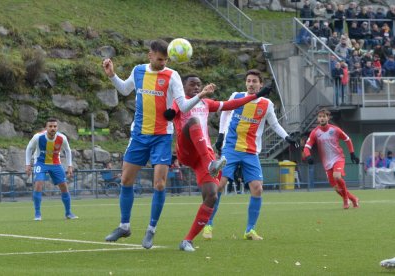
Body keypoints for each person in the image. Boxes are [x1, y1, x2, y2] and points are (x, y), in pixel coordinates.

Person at [102, 39, 214, 249]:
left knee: (160, 184)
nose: (163, 63)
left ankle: (151, 230)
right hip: (139, 135)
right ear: (150, 55)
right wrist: (112, 76)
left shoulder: (172, 76)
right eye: (160, 59)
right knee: (126, 180)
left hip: (162, 136)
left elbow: (182, 105)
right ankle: (124, 226)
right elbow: (125, 90)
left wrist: (200, 95)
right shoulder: (138, 71)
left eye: (166, 60)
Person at [174, 73, 270, 252]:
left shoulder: (206, 104)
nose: (196, 87)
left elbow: (230, 105)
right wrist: (169, 114)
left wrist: (256, 96)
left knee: (211, 195)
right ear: (182, 87)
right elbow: (170, 113)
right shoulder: (179, 102)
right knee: (193, 121)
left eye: (199, 84)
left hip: (204, 154)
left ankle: (187, 240)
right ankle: (211, 163)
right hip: (187, 149)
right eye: (192, 84)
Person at [202, 69, 299, 241]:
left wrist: (287, 137)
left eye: (255, 81)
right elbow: (225, 113)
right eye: (248, 81)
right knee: (219, 185)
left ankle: (250, 230)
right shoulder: (236, 96)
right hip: (231, 148)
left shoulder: (266, 104)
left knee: (257, 188)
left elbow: (274, 124)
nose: (251, 84)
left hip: (251, 151)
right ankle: (207, 224)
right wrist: (222, 136)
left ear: (260, 84)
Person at [303, 108, 360, 209]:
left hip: (338, 158)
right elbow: (307, 147)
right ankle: (354, 199)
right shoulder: (315, 132)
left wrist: (352, 154)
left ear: (328, 118)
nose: (322, 118)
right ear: (317, 119)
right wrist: (308, 156)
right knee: (336, 188)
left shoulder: (335, 129)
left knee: (337, 176)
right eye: (320, 117)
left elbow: (347, 139)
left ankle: (346, 200)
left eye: (324, 116)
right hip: (327, 162)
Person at [25, 118, 78, 221]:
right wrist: (28, 164)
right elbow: (29, 148)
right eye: (50, 126)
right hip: (41, 162)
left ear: (57, 128)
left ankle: (68, 213)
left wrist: (69, 165)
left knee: (64, 186)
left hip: (55, 164)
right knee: (38, 183)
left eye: (54, 126)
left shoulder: (62, 138)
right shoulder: (38, 137)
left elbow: (67, 150)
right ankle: (37, 214)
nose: (52, 128)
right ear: (46, 127)